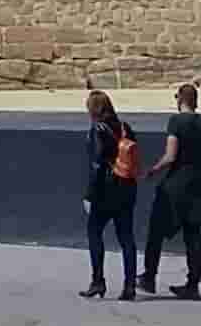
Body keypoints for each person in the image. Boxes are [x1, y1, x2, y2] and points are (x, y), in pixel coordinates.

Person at [137, 83, 201, 300]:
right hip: (196, 184)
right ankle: (193, 284)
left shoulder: (176, 122)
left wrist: (152, 170)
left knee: (156, 231)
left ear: (180, 99)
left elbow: (171, 156)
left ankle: (149, 277)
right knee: (193, 235)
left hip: (175, 185)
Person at [80, 88, 140, 299]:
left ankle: (98, 281)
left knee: (94, 233)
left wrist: (89, 195)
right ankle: (130, 286)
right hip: (127, 187)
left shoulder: (97, 129)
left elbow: (97, 164)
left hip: (105, 191)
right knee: (126, 238)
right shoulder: (125, 127)